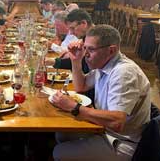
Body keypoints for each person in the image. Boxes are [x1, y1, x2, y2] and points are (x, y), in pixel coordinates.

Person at [52, 25, 151, 160]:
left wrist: (74, 107)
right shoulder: (104, 64)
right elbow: (81, 86)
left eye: (91, 49)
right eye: (84, 47)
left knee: (59, 153)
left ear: (111, 50)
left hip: (121, 142)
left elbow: (117, 122)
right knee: (62, 134)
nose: (86, 54)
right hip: (102, 129)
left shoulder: (124, 72)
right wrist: (76, 61)